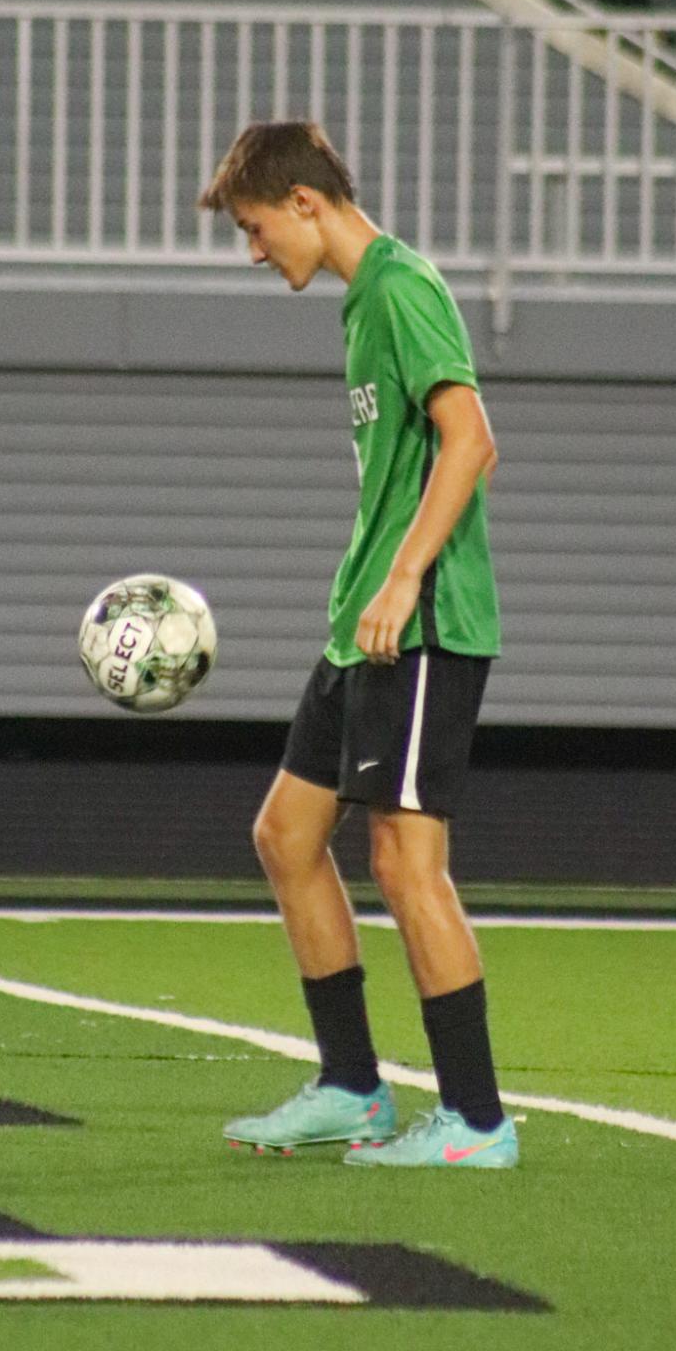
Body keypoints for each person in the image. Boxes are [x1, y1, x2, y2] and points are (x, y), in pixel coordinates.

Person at [199, 121, 515, 1170]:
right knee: (286, 837)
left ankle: (473, 1121)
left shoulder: (397, 285)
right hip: (362, 630)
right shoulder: (357, 304)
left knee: (402, 858)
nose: (253, 252)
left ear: (303, 203)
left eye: (253, 229)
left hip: (416, 626)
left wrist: (403, 575)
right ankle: (349, 1089)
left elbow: (470, 438)